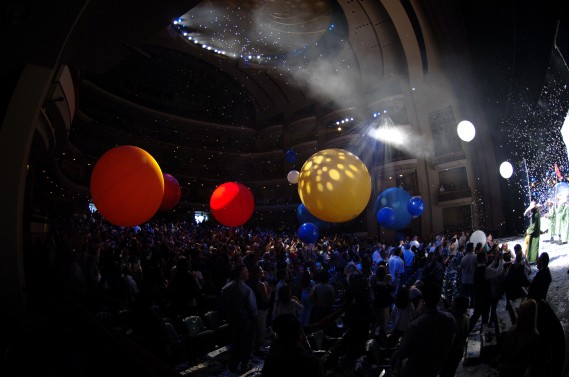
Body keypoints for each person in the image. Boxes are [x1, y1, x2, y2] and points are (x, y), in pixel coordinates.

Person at [390, 282, 456, 377]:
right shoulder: (449, 319)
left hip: (414, 371)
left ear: (423, 300)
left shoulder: (416, 325)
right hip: (436, 369)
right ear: (439, 299)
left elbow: (402, 352)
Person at [220, 263, 257, 374]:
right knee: (246, 344)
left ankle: (233, 365)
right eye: (246, 271)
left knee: (235, 343)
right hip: (245, 321)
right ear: (240, 273)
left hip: (232, 321)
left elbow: (222, 306)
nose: (248, 273)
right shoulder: (246, 289)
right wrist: (254, 322)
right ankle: (244, 365)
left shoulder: (225, 288)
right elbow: (252, 308)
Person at [497, 299, 544, 376]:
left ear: (527, 315)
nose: (519, 313)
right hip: (506, 368)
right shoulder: (514, 329)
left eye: (521, 311)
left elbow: (530, 359)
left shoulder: (533, 337)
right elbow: (506, 347)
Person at [440, 295, 470, 377]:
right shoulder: (465, 318)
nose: (452, 304)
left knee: (445, 373)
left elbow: (451, 339)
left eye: (454, 303)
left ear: (458, 307)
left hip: (452, 353)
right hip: (458, 351)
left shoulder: (455, 321)